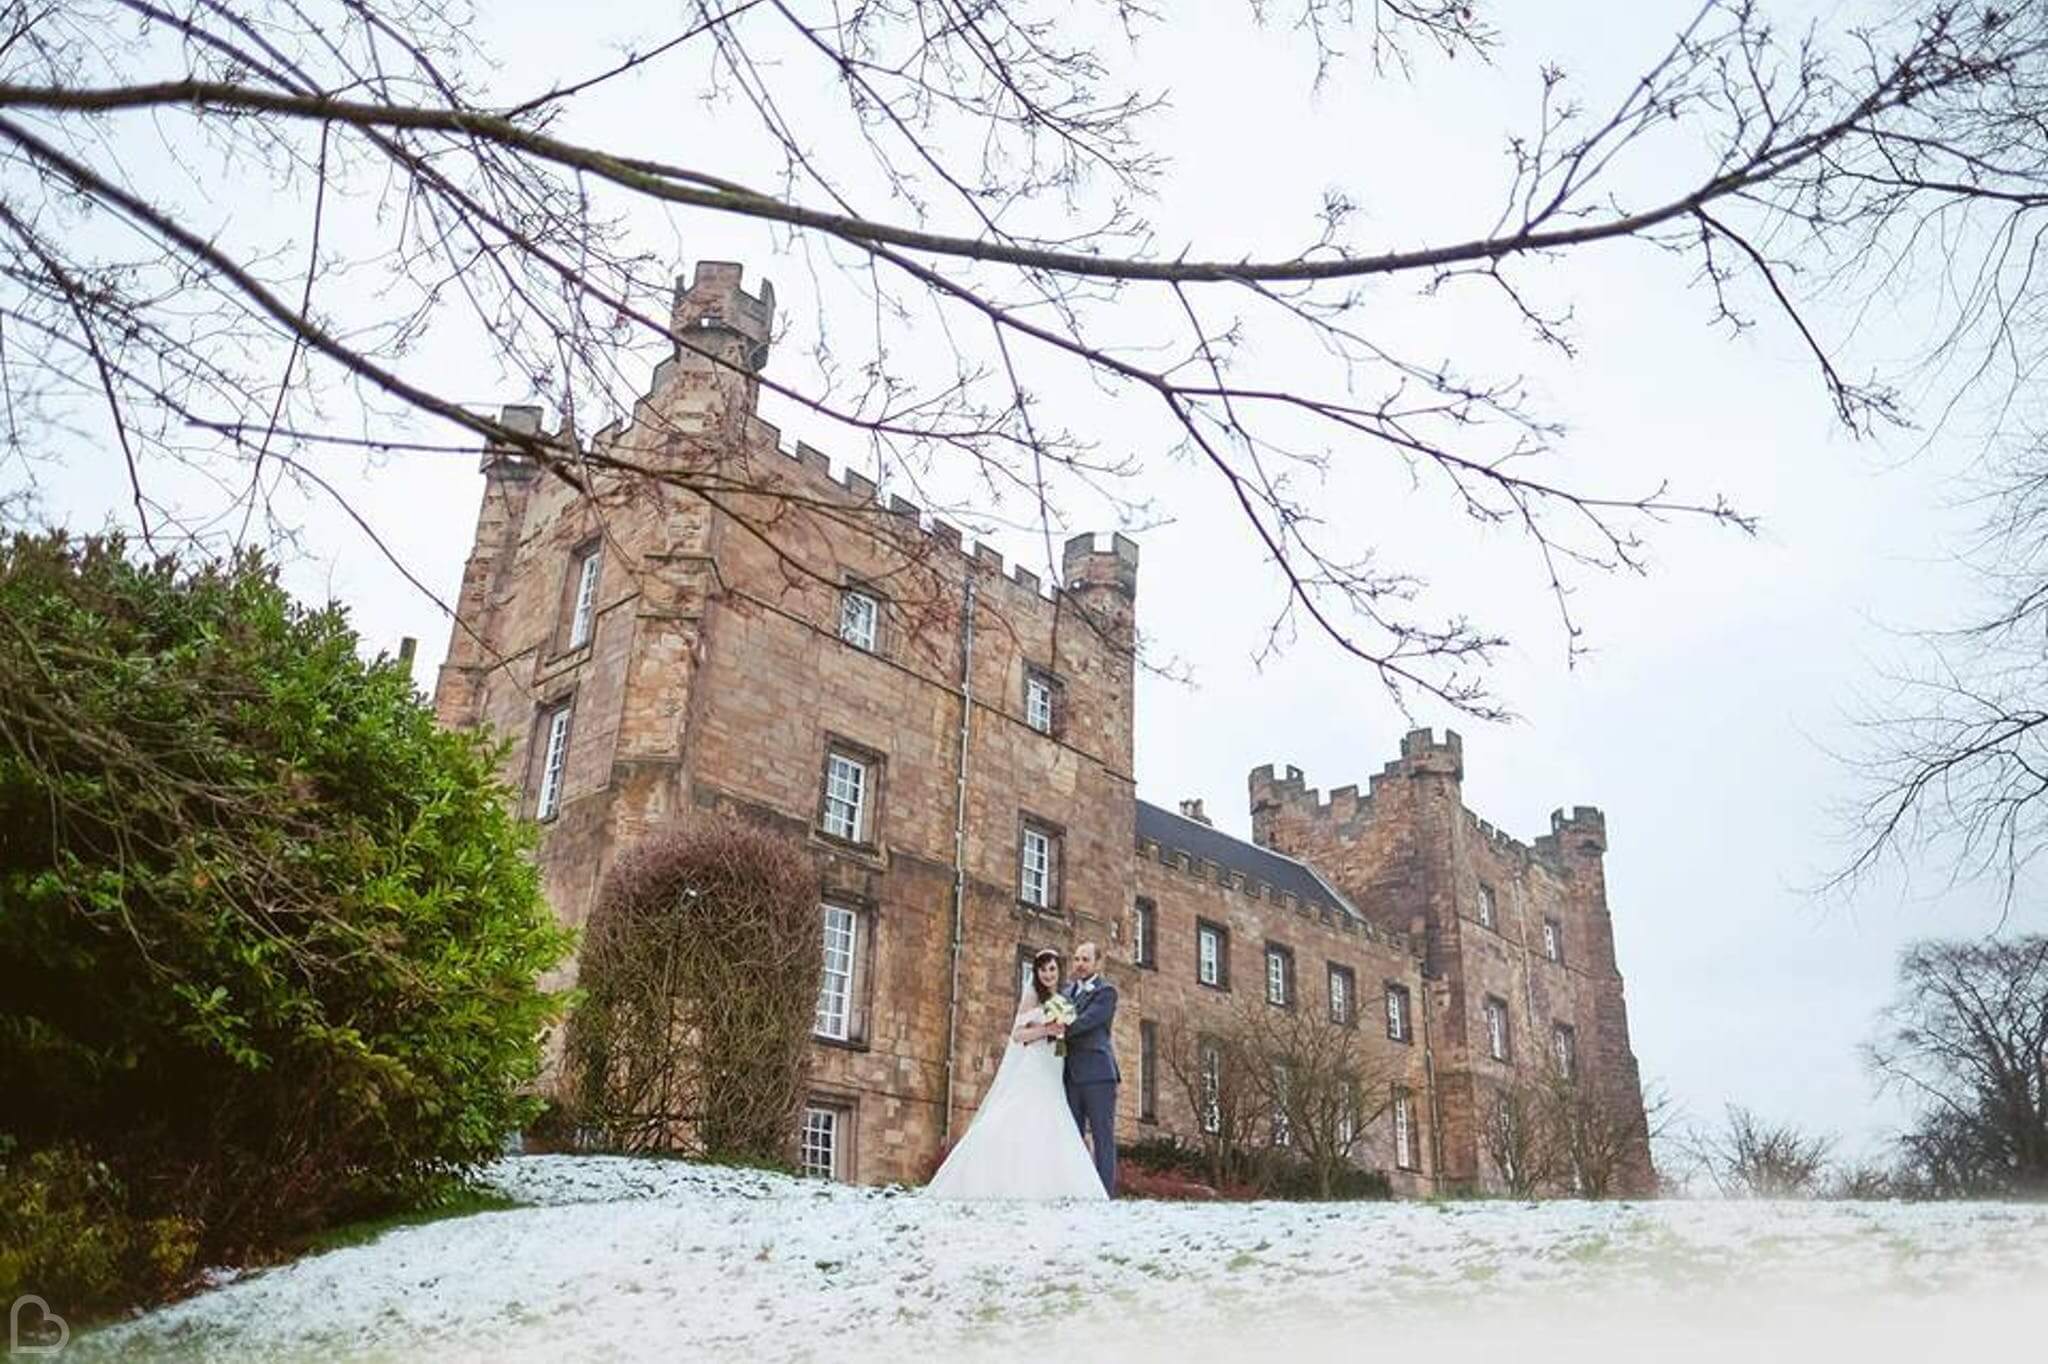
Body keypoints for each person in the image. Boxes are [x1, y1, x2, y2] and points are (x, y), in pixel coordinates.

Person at [923, 948, 1107, 1201]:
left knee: (1052, 1118)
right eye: (1043, 970)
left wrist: (1060, 1032)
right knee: (1018, 1112)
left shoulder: (1064, 998)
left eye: (1052, 969)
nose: (1048, 974)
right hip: (1035, 1063)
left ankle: (1052, 1185)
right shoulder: (1032, 998)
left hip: (1055, 1065)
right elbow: (1018, 1035)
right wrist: (1046, 1029)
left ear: (1058, 970)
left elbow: (1069, 1029)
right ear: (1037, 973)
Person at [1059, 940, 1121, 1196]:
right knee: (1072, 1136)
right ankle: (1076, 1189)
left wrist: (1057, 1028)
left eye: (1085, 959)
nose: (1080, 964)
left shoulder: (1106, 992)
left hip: (1098, 1075)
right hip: (1070, 1075)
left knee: (1102, 1136)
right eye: (1076, 959)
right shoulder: (1065, 993)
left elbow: (1087, 1022)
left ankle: (1104, 1192)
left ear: (1096, 962)